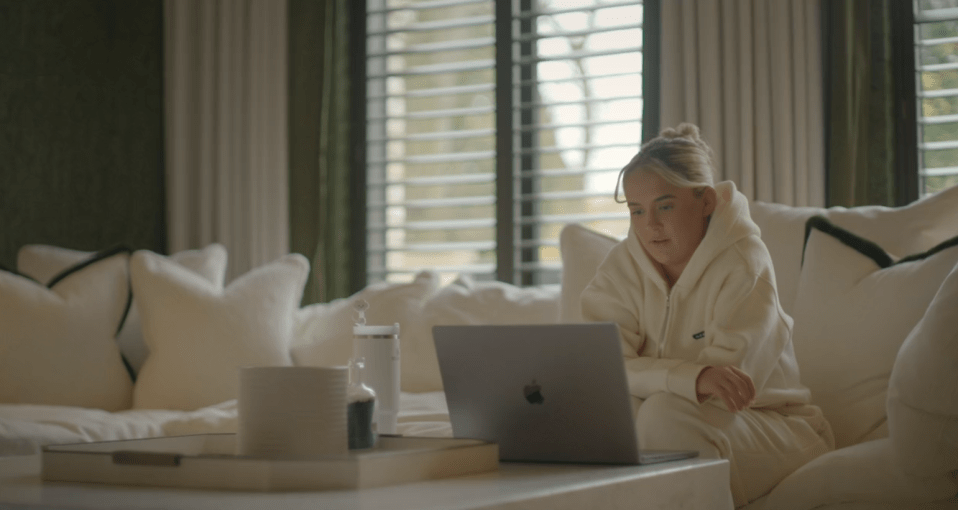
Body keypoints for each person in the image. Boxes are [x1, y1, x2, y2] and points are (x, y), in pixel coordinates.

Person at [580, 123, 834, 507]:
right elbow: (601, 369)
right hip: (684, 418)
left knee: (662, 414)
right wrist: (690, 377)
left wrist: (660, 379)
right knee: (615, 418)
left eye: (665, 206)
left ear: (706, 202)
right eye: (637, 211)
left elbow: (727, 390)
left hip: (777, 427)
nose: (650, 226)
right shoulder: (621, 268)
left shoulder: (744, 263)